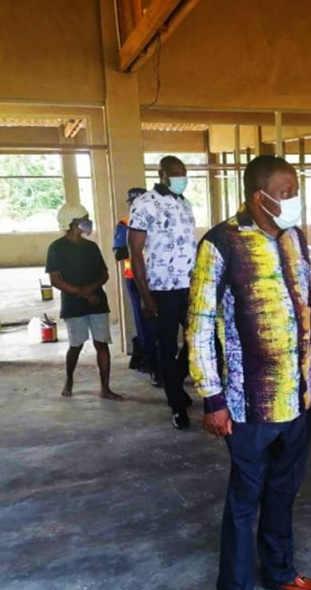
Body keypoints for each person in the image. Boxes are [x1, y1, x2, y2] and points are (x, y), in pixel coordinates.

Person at [188, 155, 311, 590]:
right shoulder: (222, 242)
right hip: (248, 404)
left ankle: (281, 570)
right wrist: (212, 397)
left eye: (297, 187)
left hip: (299, 395)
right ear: (260, 197)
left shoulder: (294, 237)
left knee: (284, 493)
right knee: (244, 503)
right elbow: (201, 322)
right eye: (288, 188)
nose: (296, 196)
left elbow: (303, 309)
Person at [128, 156, 197, 429]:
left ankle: (175, 382)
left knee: (200, 340)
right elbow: (135, 252)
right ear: (162, 174)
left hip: (189, 287)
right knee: (166, 348)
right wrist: (146, 295)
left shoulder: (185, 203)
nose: (181, 177)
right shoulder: (144, 204)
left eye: (184, 172)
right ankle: (177, 406)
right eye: (175, 173)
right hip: (161, 289)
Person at [46, 203, 122, 401]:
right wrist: (84, 292)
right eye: (85, 219)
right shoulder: (56, 248)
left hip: (98, 302)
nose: (88, 223)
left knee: (102, 344)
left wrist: (91, 289)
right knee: (76, 345)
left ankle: (105, 387)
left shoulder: (91, 247)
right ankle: (69, 379)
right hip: (74, 305)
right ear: (74, 223)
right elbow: (55, 280)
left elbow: (104, 274)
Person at [113, 187, 160, 387]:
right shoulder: (125, 224)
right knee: (145, 322)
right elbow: (118, 254)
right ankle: (153, 367)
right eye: (133, 203)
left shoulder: (157, 219)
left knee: (162, 323)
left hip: (158, 278)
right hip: (135, 279)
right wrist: (138, 246)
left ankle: (163, 362)